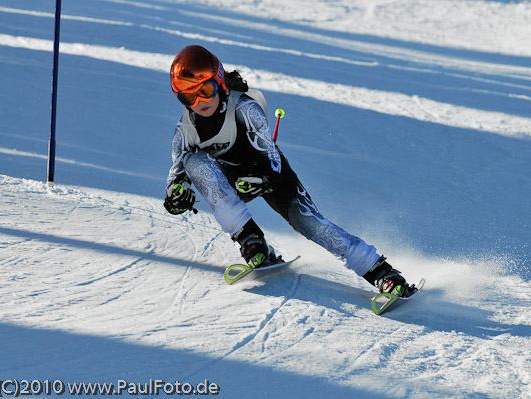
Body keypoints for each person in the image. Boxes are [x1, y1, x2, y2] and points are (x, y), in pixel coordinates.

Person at [163, 45, 416, 297]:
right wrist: (177, 195)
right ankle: (251, 240)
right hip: (228, 184)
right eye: (188, 97)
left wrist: (263, 178)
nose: (199, 102)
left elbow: (271, 158)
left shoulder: (243, 109)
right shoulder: (185, 130)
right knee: (194, 162)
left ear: (219, 83)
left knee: (308, 223)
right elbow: (174, 181)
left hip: (271, 176)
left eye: (205, 91)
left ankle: (381, 272)